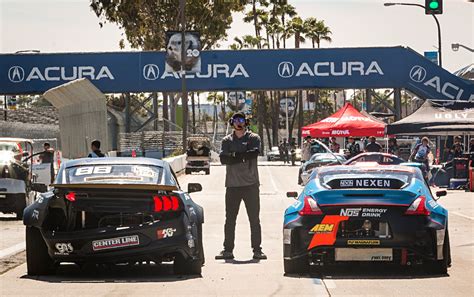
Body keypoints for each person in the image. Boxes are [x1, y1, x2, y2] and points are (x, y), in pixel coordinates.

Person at [216, 112, 266, 260]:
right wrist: (242, 156)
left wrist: (234, 156)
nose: (239, 123)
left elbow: (254, 154)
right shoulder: (227, 140)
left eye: (241, 120)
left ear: (246, 122)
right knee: (230, 219)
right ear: (232, 122)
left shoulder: (253, 138)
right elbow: (223, 159)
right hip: (232, 186)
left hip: (251, 185)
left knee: (254, 219)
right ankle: (227, 250)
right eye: (236, 120)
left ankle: (257, 250)